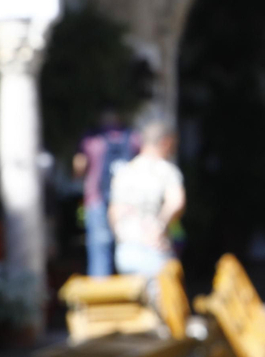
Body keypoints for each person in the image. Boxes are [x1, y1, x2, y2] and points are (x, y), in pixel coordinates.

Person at [108, 118, 186, 278]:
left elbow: (113, 212)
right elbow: (177, 201)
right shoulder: (166, 170)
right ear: (166, 142)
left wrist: (124, 238)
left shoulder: (124, 172)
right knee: (164, 300)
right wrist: (160, 226)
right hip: (154, 251)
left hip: (126, 253)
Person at [73, 111, 137, 277]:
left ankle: (101, 297)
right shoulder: (132, 137)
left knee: (100, 250)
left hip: (97, 199)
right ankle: (132, 296)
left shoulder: (92, 138)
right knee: (131, 248)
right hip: (128, 201)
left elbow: (79, 167)